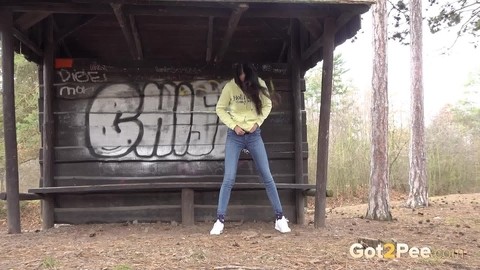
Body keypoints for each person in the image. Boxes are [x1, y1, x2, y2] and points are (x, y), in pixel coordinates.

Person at [210, 63, 291, 235]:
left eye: (245, 76)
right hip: (235, 137)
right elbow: (220, 108)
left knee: (267, 175)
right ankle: (219, 220)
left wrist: (257, 123)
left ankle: (280, 218)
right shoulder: (230, 87)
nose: (242, 79)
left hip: (254, 136)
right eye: (239, 76)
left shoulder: (258, 83)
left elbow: (267, 105)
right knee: (229, 177)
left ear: (250, 75)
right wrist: (233, 125)